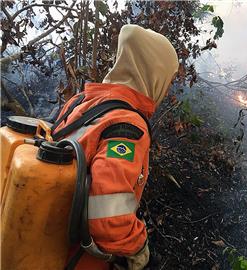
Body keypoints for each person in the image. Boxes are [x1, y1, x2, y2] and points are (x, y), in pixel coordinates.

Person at [52, 24, 179, 270]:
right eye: (168, 77)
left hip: (41, 235)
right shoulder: (127, 125)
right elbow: (108, 218)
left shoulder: (81, 101)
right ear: (154, 73)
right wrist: (140, 249)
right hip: (70, 258)